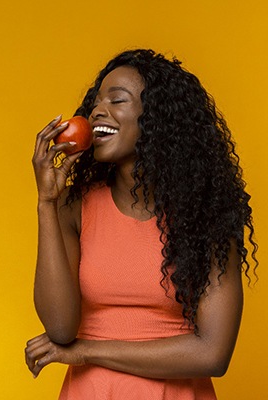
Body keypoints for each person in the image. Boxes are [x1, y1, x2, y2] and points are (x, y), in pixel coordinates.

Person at [25, 49, 258, 399]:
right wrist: (47, 202)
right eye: (96, 102)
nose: (97, 111)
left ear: (158, 119)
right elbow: (59, 329)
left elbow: (213, 353)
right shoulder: (75, 206)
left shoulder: (207, 214)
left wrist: (87, 351)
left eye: (116, 100)